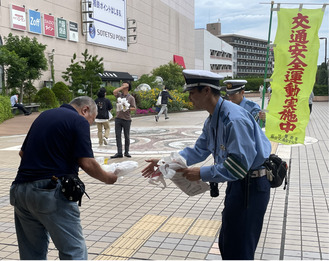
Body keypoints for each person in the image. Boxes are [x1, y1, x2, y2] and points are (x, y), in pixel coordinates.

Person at [142, 69, 272, 260]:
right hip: (238, 185)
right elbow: (198, 150)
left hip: (251, 187)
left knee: (240, 249)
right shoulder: (214, 118)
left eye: (192, 92)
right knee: (227, 243)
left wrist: (201, 173)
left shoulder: (233, 119)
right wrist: (164, 163)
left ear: (206, 92)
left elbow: (238, 166)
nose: (189, 98)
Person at [9, 96, 118, 260]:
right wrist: (109, 178)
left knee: (31, 254)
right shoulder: (78, 120)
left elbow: (22, 153)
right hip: (50, 192)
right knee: (74, 252)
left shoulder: (44, 116)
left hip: (21, 191)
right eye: (91, 120)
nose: (89, 124)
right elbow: (87, 162)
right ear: (85, 110)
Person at [111, 81, 136, 158]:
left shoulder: (131, 98)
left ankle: (126, 152)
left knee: (126, 136)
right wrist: (122, 87)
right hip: (118, 118)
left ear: (128, 87)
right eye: (122, 85)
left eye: (124, 85)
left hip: (127, 119)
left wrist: (126, 107)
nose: (122, 86)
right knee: (118, 136)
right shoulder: (119, 95)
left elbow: (134, 108)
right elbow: (114, 92)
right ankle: (119, 152)